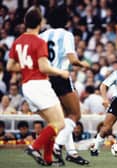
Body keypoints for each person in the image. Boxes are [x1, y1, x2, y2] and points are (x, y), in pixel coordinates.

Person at [7, 7, 69, 166]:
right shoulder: (40, 41)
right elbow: (44, 68)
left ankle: (48, 160)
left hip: (27, 87)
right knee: (60, 123)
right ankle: (34, 147)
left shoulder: (18, 40)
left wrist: (27, 67)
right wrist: (61, 72)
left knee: (52, 123)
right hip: (40, 84)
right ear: (40, 23)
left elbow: (10, 66)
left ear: (25, 23)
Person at [39, 27, 90, 165]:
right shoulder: (66, 34)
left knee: (65, 118)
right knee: (75, 115)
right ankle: (57, 145)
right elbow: (72, 60)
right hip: (60, 76)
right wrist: (83, 64)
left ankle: (71, 152)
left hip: (45, 78)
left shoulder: (42, 35)